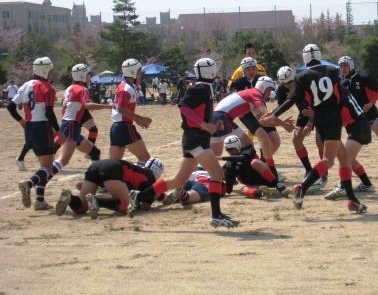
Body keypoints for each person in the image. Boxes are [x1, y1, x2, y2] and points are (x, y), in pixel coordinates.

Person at [127, 58, 240, 228]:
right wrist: (203, 125)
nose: (215, 70)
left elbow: (198, 112)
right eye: (213, 68)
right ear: (208, 70)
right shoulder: (200, 87)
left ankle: (140, 196)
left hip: (196, 138)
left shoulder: (204, 88)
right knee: (217, 175)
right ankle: (216, 215)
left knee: (178, 180)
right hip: (195, 139)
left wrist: (213, 125)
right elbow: (183, 107)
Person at [260, 44, 367, 214]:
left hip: (319, 117)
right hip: (332, 117)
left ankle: (352, 200)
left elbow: (290, 99)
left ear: (305, 58)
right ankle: (302, 188)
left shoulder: (302, 76)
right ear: (319, 55)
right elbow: (341, 96)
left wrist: (273, 114)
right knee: (329, 160)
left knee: (344, 157)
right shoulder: (332, 71)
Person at [7, 57, 61, 210]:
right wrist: (58, 131)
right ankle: (29, 183)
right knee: (48, 168)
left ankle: (40, 200)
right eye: (51, 71)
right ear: (44, 71)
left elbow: (11, 106)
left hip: (29, 128)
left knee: (44, 166)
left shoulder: (25, 85)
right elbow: (50, 113)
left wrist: (21, 121)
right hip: (42, 127)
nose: (52, 74)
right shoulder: (48, 88)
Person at [337, 56, 378, 177]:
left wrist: (370, 103)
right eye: (341, 66)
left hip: (370, 114)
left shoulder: (362, 77)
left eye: (345, 66)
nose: (343, 69)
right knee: (352, 148)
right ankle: (351, 167)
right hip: (355, 120)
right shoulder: (341, 83)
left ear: (351, 66)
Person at [324, 56, 376, 199]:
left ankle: (343, 186)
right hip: (359, 127)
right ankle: (366, 184)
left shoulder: (340, 92)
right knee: (350, 159)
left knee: (344, 158)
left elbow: (342, 115)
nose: (342, 69)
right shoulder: (341, 88)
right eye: (340, 67)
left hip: (359, 127)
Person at [50, 64, 111, 180]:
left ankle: (95, 178)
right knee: (63, 160)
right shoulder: (83, 89)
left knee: (95, 152)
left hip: (69, 125)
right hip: (72, 125)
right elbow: (87, 105)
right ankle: (40, 177)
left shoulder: (69, 88)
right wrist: (108, 106)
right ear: (82, 75)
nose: (90, 77)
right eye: (88, 75)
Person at [55, 158, 164, 219]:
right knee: (125, 205)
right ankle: (97, 201)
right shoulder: (149, 177)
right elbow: (145, 206)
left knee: (82, 208)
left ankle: (70, 198)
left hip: (96, 166)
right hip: (112, 169)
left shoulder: (139, 170)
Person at [110, 59, 152, 165]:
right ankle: (139, 181)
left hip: (116, 128)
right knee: (145, 159)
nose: (140, 74)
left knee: (113, 165)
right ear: (133, 72)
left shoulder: (125, 86)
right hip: (124, 127)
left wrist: (136, 119)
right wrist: (139, 118)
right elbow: (121, 108)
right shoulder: (126, 89)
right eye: (139, 71)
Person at [221, 135, 287, 198]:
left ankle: (277, 185)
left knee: (255, 162)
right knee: (243, 188)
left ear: (238, 146)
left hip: (266, 178)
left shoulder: (249, 150)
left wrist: (226, 159)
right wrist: (226, 180)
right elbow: (229, 189)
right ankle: (260, 193)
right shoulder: (230, 164)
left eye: (232, 149)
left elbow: (244, 158)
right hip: (252, 184)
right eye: (228, 150)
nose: (230, 152)